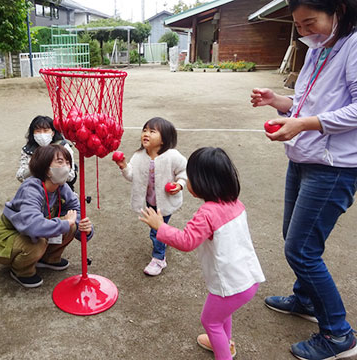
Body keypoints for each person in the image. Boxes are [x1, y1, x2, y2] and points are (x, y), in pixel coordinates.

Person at [250, 0, 357, 358]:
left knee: (301, 249)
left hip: (334, 165)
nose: (304, 32)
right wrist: (278, 101)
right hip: (304, 158)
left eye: (310, 22)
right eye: (298, 26)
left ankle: (339, 334)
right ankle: (306, 299)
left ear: (338, 10)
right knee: (295, 238)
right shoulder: (317, 49)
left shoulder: (353, 45)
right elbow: (308, 102)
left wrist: (303, 124)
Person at [139, 147, 265, 360]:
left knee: (211, 321)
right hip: (247, 277)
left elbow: (187, 241)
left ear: (203, 183)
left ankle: (224, 354)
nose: (187, 182)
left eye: (190, 177)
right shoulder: (235, 203)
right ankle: (227, 343)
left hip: (229, 283)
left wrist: (160, 227)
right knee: (222, 314)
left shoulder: (207, 213)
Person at [0, 144, 93, 288]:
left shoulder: (61, 186)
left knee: (72, 224)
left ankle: (49, 259)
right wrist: (64, 224)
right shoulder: (31, 188)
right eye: (60, 162)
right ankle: (21, 271)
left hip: (35, 230)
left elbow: (76, 210)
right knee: (38, 241)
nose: (66, 167)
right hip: (8, 235)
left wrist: (85, 228)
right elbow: (33, 226)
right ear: (46, 169)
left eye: (68, 162)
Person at [114, 117, 187, 276]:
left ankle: (159, 258)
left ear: (164, 139)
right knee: (157, 229)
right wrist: (124, 167)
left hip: (165, 202)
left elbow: (184, 170)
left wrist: (180, 184)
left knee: (156, 231)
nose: (146, 134)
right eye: (145, 130)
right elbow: (132, 175)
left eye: (152, 131)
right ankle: (166, 237)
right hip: (149, 201)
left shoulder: (172, 156)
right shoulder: (139, 155)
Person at [16, 115, 77, 190]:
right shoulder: (28, 150)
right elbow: (21, 176)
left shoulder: (63, 147)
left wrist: (52, 170)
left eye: (45, 131)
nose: (42, 134)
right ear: (33, 133)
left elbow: (71, 176)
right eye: (38, 131)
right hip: (35, 189)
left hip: (60, 190)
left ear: (53, 133)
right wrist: (36, 165)